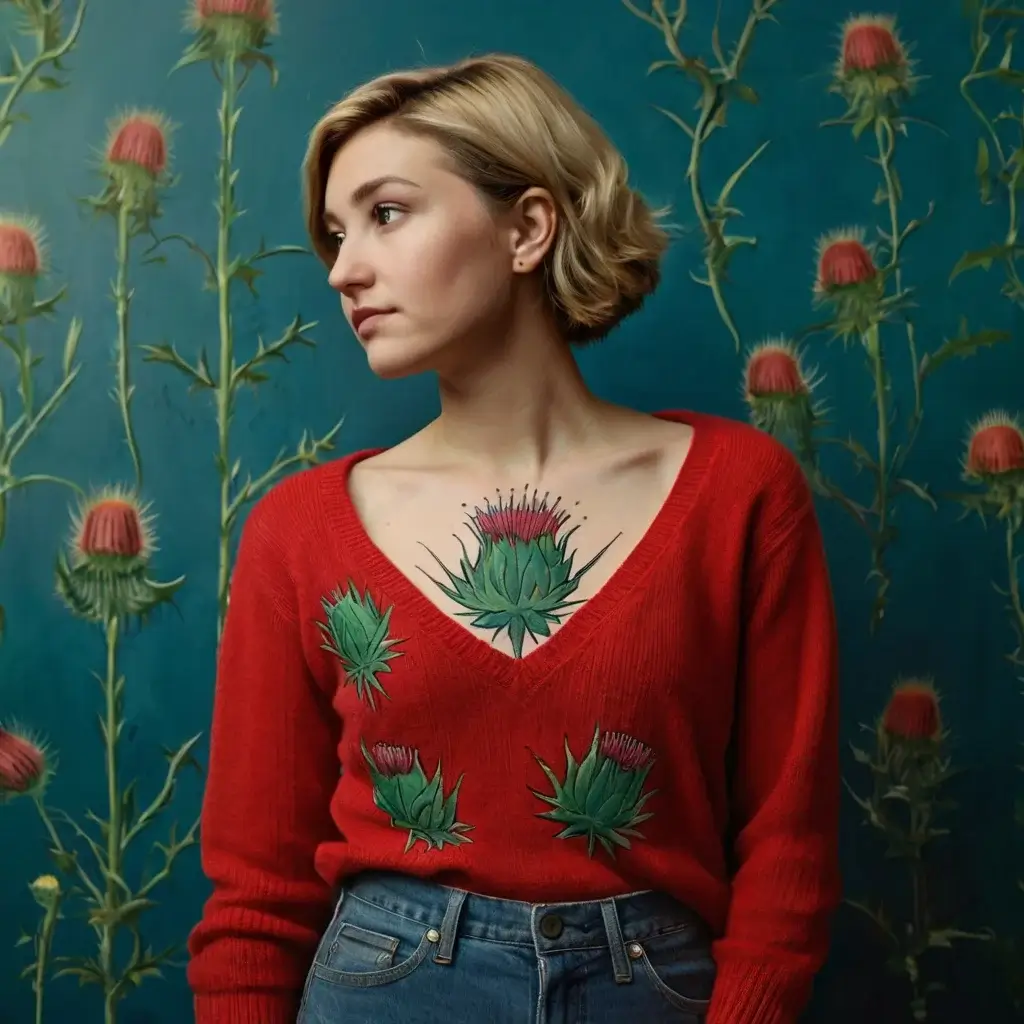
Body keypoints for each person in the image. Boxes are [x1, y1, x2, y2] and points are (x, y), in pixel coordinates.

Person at [186, 52, 840, 1024]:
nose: (342, 268)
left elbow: (787, 841)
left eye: (387, 213)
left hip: (655, 987)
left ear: (527, 227)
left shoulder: (739, 492)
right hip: (378, 987)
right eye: (333, 232)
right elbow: (256, 890)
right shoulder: (298, 529)